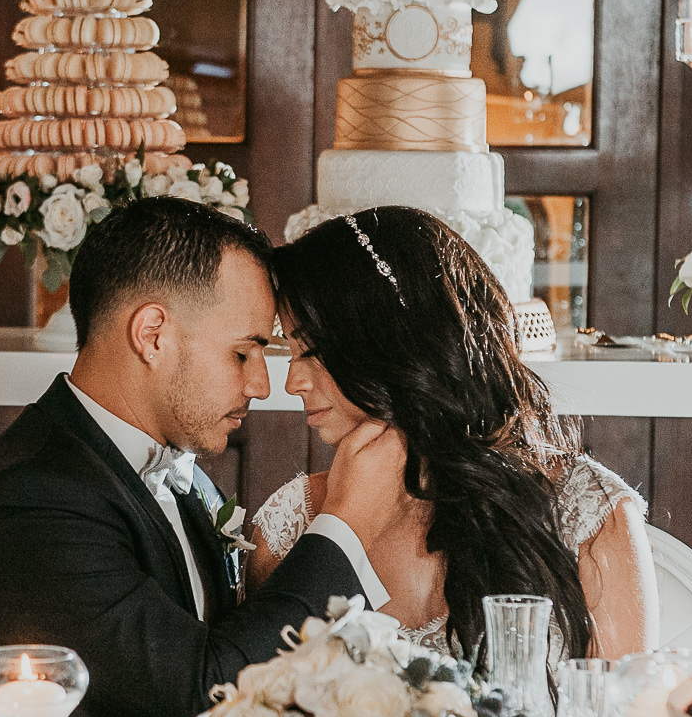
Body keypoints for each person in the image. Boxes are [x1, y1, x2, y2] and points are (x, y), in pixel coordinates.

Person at [0, 197, 410, 717]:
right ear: (152, 334)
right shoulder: (35, 497)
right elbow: (207, 693)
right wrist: (345, 523)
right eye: (244, 351)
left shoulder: (162, 465)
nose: (259, 383)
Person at [249, 206, 659, 663]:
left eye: (314, 351)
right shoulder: (294, 521)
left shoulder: (587, 511)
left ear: (394, 341)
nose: (291, 383)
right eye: (291, 352)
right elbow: (246, 702)